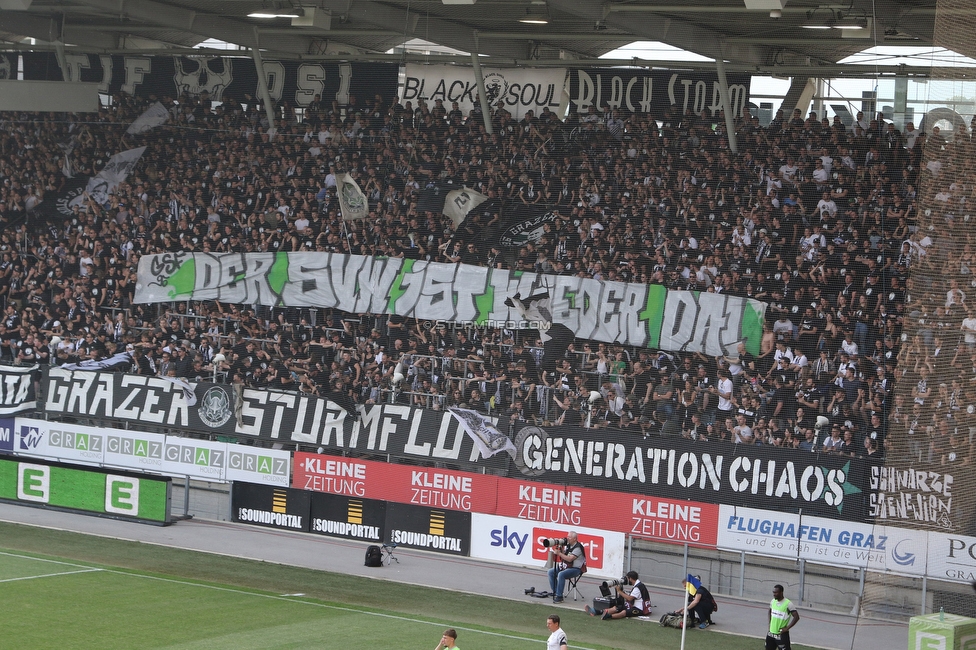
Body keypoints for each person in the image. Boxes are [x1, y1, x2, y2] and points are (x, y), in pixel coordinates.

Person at [585, 571, 650, 619]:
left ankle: (609, 616)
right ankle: (597, 611)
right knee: (617, 608)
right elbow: (631, 595)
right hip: (633, 605)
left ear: (630, 578)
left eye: (627, 579)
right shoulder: (638, 585)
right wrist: (619, 590)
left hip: (640, 609)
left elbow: (630, 598)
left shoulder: (638, 587)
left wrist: (619, 591)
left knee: (624, 612)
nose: (626, 581)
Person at [547, 531, 585, 603]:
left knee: (561, 574)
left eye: (569, 537)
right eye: (567, 536)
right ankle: (556, 591)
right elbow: (565, 555)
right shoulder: (568, 545)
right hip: (566, 566)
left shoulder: (578, 548)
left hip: (576, 569)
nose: (567, 538)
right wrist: (561, 549)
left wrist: (559, 553)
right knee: (550, 572)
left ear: (574, 539)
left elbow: (570, 559)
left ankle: (559, 597)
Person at [767, 584, 800, 650]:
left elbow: (796, 617)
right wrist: (770, 623)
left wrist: (787, 628)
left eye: (776, 592)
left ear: (781, 592)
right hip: (771, 634)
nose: (774, 594)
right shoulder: (773, 601)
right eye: (773, 592)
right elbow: (770, 611)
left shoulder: (788, 604)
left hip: (781, 635)